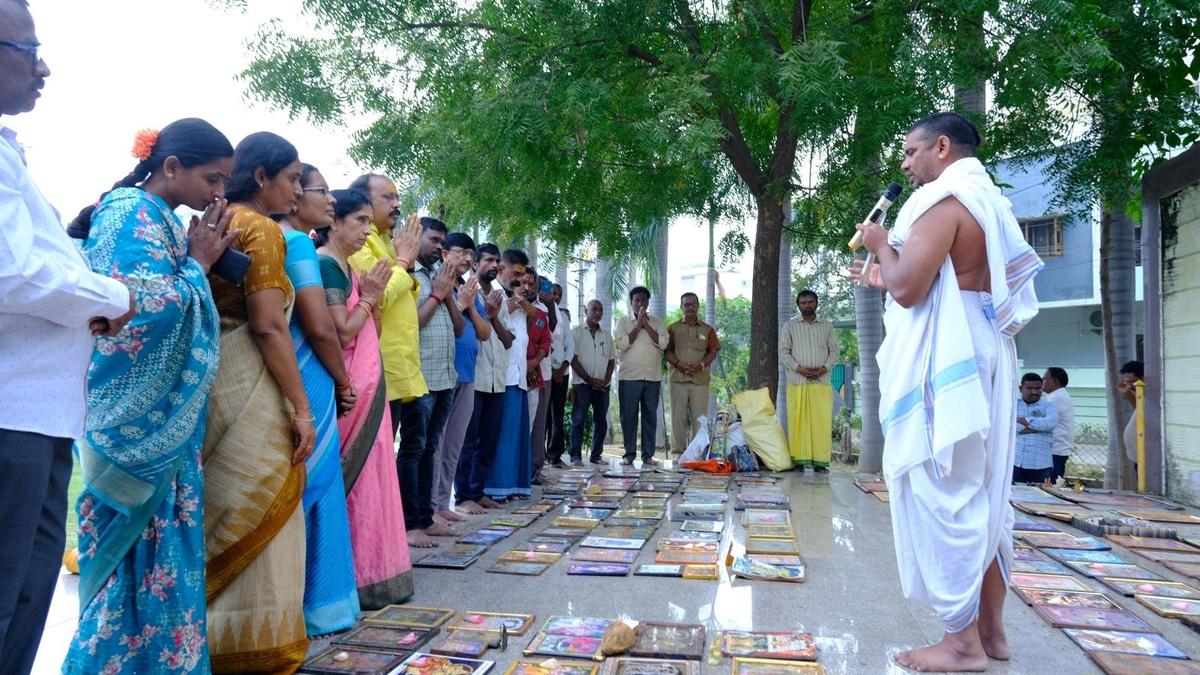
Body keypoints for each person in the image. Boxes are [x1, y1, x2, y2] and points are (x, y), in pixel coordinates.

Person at [849, 111, 1042, 672]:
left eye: (910, 154)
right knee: (983, 494)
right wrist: (886, 266)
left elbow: (909, 289)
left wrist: (883, 244)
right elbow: (930, 278)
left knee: (944, 488)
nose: (906, 166)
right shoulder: (988, 199)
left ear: (941, 147)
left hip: (948, 355)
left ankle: (960, 644)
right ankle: (992, 633)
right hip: (981, 344)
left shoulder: (944, 201)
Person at [58, 120, 235, 673]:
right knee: (125, 572)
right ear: (173, 167)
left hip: (166, 425)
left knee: (166, 556)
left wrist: (192, 264)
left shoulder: (160, 219)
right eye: (212, 178)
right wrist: (199, 266)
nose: (217, 195)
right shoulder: (128, 215)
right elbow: (134, 313)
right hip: (133, 424)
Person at [0, 6, 135, 671]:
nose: (43, 65)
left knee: (28, 588)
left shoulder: (8, 153)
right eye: (30, 48)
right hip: (11, 414)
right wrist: (112, 295)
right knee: (8, 589)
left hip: (42, 413)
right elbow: (12, 269)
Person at [202, 131, 320, 671]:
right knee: (266, 503)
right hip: (249, 380)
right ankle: (255, 648)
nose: (297, 192)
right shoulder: (264, 232)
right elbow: (271, 327)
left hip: (213, 382)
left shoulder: (216, 217)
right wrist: (301, 409)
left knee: (219, 508)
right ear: (260, 178)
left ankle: (206, 639)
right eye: (293, 179)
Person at [316, 188, 414, 609]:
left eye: (367, 224)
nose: (364, 231)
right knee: (356, 485)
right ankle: (354, 577)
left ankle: (377, 575)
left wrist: (371, 296)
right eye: (358, 222)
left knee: (376, 480)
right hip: (352, 388)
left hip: (369, 384)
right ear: (334, 222)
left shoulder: (346, 267)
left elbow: (367, 320)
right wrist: (372, 295)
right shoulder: (328, 265)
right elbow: (343, 330)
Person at [280, 165, 361, 634]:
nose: (331, 201)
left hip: (305, 372)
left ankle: (314, 602)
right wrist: (342, 379)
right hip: (310, 373)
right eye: (321, 191)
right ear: (292, 195)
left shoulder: (285, 240)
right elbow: (319, 325)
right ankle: (315, 603)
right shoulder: (294, 245)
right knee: (314, 485)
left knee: (316, 484)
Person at [346, 174, 428, 436]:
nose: (396, 204)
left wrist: (408, 261)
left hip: (401, 362)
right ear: (363, 200)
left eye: (397, 197)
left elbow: (408, 296)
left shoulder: (387, 242)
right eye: (387, 197)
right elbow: (380, 297)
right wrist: (404, 260)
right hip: (378, 363)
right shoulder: (361, 242)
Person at [406, 217, 464, 543]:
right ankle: (410, 523)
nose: (439, 247)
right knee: (413, 449)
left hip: (444, 375)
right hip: (420, 375)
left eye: (443, 242)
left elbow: (458, 328)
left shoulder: (436, 276)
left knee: (429, 448)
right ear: (417, 237)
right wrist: (438, 295)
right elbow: (412, 323)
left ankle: (427, 516)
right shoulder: (409, 274)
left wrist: (449, 292)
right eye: (434, 239)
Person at [432, 232, 489, 524]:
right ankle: (429, 506)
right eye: (461, 252)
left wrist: (468, 303)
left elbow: (484, 332)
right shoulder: (437, 282)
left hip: (468, 372)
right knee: (437, 442)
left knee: (454, 443)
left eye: (471, 253)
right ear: (445, 254)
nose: (467, 258)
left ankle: (443, 503)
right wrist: (462, 304)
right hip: (442, 371)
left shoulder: (469, 289)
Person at [454, 244, 506, 513]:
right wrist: (482, 312)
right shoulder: (466, 292)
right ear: (475, 264)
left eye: (496, 260)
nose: (493, 265)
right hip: (475, 375)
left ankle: (478, 490)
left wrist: (492, 316)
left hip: (498, 378)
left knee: (488, 439)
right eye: (488, 260)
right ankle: (463, 496)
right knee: (468, 439)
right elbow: (474, 329)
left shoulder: (500, 296)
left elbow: (503, 338)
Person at [485, 249, 534, 501]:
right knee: (502, 435)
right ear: (501, 268)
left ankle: (513, 486)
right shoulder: (495, 294)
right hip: (500, 375)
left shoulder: (515, 298)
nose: (520, 281)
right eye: (516, 274)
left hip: (518, 375)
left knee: (515, 435)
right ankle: (496, 488)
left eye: (524, 276)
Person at [779, 290, 839, 472]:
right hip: (798, 381)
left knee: (821, 422)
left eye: (810, 302)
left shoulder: (826, 326)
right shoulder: (790, 326)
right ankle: (800, 461)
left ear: (816, 303)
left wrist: (824, 369)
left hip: (821, 382)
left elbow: (835, 351)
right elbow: (783, 352)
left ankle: (820, 462)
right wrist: (800, 368)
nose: (807, 305)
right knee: (798, 422)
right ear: (798, 305)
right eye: (803, 302)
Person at [614, 286, 668, 467]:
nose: (640, 303)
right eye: (637, 300)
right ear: (631, 303)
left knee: (649, 416)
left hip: (652, 377)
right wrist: (638, 327)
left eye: (644, 300)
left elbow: (663, 343)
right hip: (629, 377)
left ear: (648, 302)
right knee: (628, 416)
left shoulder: (658, 322)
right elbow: (622, 345)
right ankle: (629, 454)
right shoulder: (622, 322)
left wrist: (646, 325)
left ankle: (648, 455)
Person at [666, 292, 720, 453]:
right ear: (681, 307)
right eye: (686, 304)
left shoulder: (707, 329)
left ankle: (696, 453)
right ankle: (678, 453)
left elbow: (713, 351)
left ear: (698, 306)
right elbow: (667, 351)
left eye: (693, 304)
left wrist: (701, 365)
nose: (690, 308)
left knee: (699, 419)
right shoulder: (672, 329)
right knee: (678, 418)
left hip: (700, 380)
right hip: (678, 379)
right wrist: (679, 364)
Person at [571, 300, 615, 465]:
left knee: (601, 421)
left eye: (600, 310)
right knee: (578, 420)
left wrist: (606, 380)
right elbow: (573, 360)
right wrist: (589, 379)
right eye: (594, 309)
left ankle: (596, 456)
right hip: (582, 384)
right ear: (585, 311)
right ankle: (575, 456)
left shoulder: (606, 334)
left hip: (602, 386)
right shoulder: (576, 332)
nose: (598, 312)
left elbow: (611, 360)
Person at [526, 270, 553, 483]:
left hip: (537, 373)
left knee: (536, 424)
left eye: (532, 283)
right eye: (523, 282)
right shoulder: (507, 306)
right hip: (512, 375)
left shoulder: (542, 312)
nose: (528, 287)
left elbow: (547, 341)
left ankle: (533, 469)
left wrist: (533, 363)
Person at [546, 284, 575, 468]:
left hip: (560, 374)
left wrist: (561, 369)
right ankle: (538, 456)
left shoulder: (563, 317)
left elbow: (569, 346)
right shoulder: (537, 311)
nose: (555, 296)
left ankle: (555, 456)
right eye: (552, 293)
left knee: (557, 414)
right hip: (542, 372)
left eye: (558, 294)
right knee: (542, 416)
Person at [1013, 373, 1058, 484]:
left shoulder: (1049, 406)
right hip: (1016, 462)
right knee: (1015, 497)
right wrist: (1039, 427)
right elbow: (1010, 425)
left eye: (1038, 388)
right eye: (1029, 388)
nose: (1034, 392)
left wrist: (1026, 421)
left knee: (1041, 498)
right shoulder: (1012, 405)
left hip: (1041, 464)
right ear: (1021, 388)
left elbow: (1051, 423)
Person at [1042, 367, 1075, 482]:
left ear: (1054, 382)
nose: (1042, 382)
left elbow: (1037, 420)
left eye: (1045, 379)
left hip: (1055, 450)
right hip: (1054, 449)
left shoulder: (1057, 398)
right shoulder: (1055, 396)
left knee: (1050, 485)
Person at [1117, 360, 1144, 467]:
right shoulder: (1140, 394)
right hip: (1137, 456)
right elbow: (1138, 408)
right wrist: (1127, 392)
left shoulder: (1152, 395)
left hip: (1146, 454)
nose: (1129, 384)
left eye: (1130, 381)